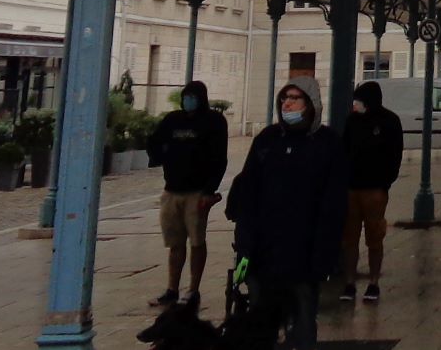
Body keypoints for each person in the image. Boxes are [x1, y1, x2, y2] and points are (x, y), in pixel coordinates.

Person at [225, 80, 349, 350]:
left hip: (303, 255)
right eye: (284, 99)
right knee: (260, 323)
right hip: (263, 252)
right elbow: (248, 192)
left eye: (295, 99)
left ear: (311, 104)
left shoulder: (327, 144)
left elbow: (333, 205)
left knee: (303, 319)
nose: (287, 104)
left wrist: (324, 255)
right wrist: (245, 245)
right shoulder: (267, 140)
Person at [146, 79, 229, 313]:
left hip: (197, 192)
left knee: (196, 241)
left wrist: (209, 190)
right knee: (175, 243)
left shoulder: (213, 122)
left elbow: (219, 158)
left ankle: (193, 288)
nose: (188, 101)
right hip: (172, 189)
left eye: (193, 97)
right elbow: (154, 141)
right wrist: (161, 156)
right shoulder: (172, 120)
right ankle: (172, 288)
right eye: (186, 96)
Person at [338, 80, 403, 303]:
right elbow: (343, 150)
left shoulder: (389, 121)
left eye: (359, 100)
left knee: (374, 237)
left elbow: (395, 154)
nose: (356, 104)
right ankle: (349, 282)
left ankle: (373, 282)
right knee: (349, 238)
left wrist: (385, 182)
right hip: (351, 188)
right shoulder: (352, 121)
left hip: (375, 189)